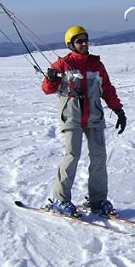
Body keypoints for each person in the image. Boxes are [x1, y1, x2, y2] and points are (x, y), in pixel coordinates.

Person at [41, 25, 126, 217]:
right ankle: (60, 200)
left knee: (99, 158)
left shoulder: (96, 65)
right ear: (71, 44)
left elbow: (107, 89)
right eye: (80, 41)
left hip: (94, 117)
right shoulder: (62, 64)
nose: (85, 43)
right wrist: (51, 78)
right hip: (72, 117)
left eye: (86, 39)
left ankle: (97, 201)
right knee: (72, 156)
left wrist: (118, 110)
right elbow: (47, 89)